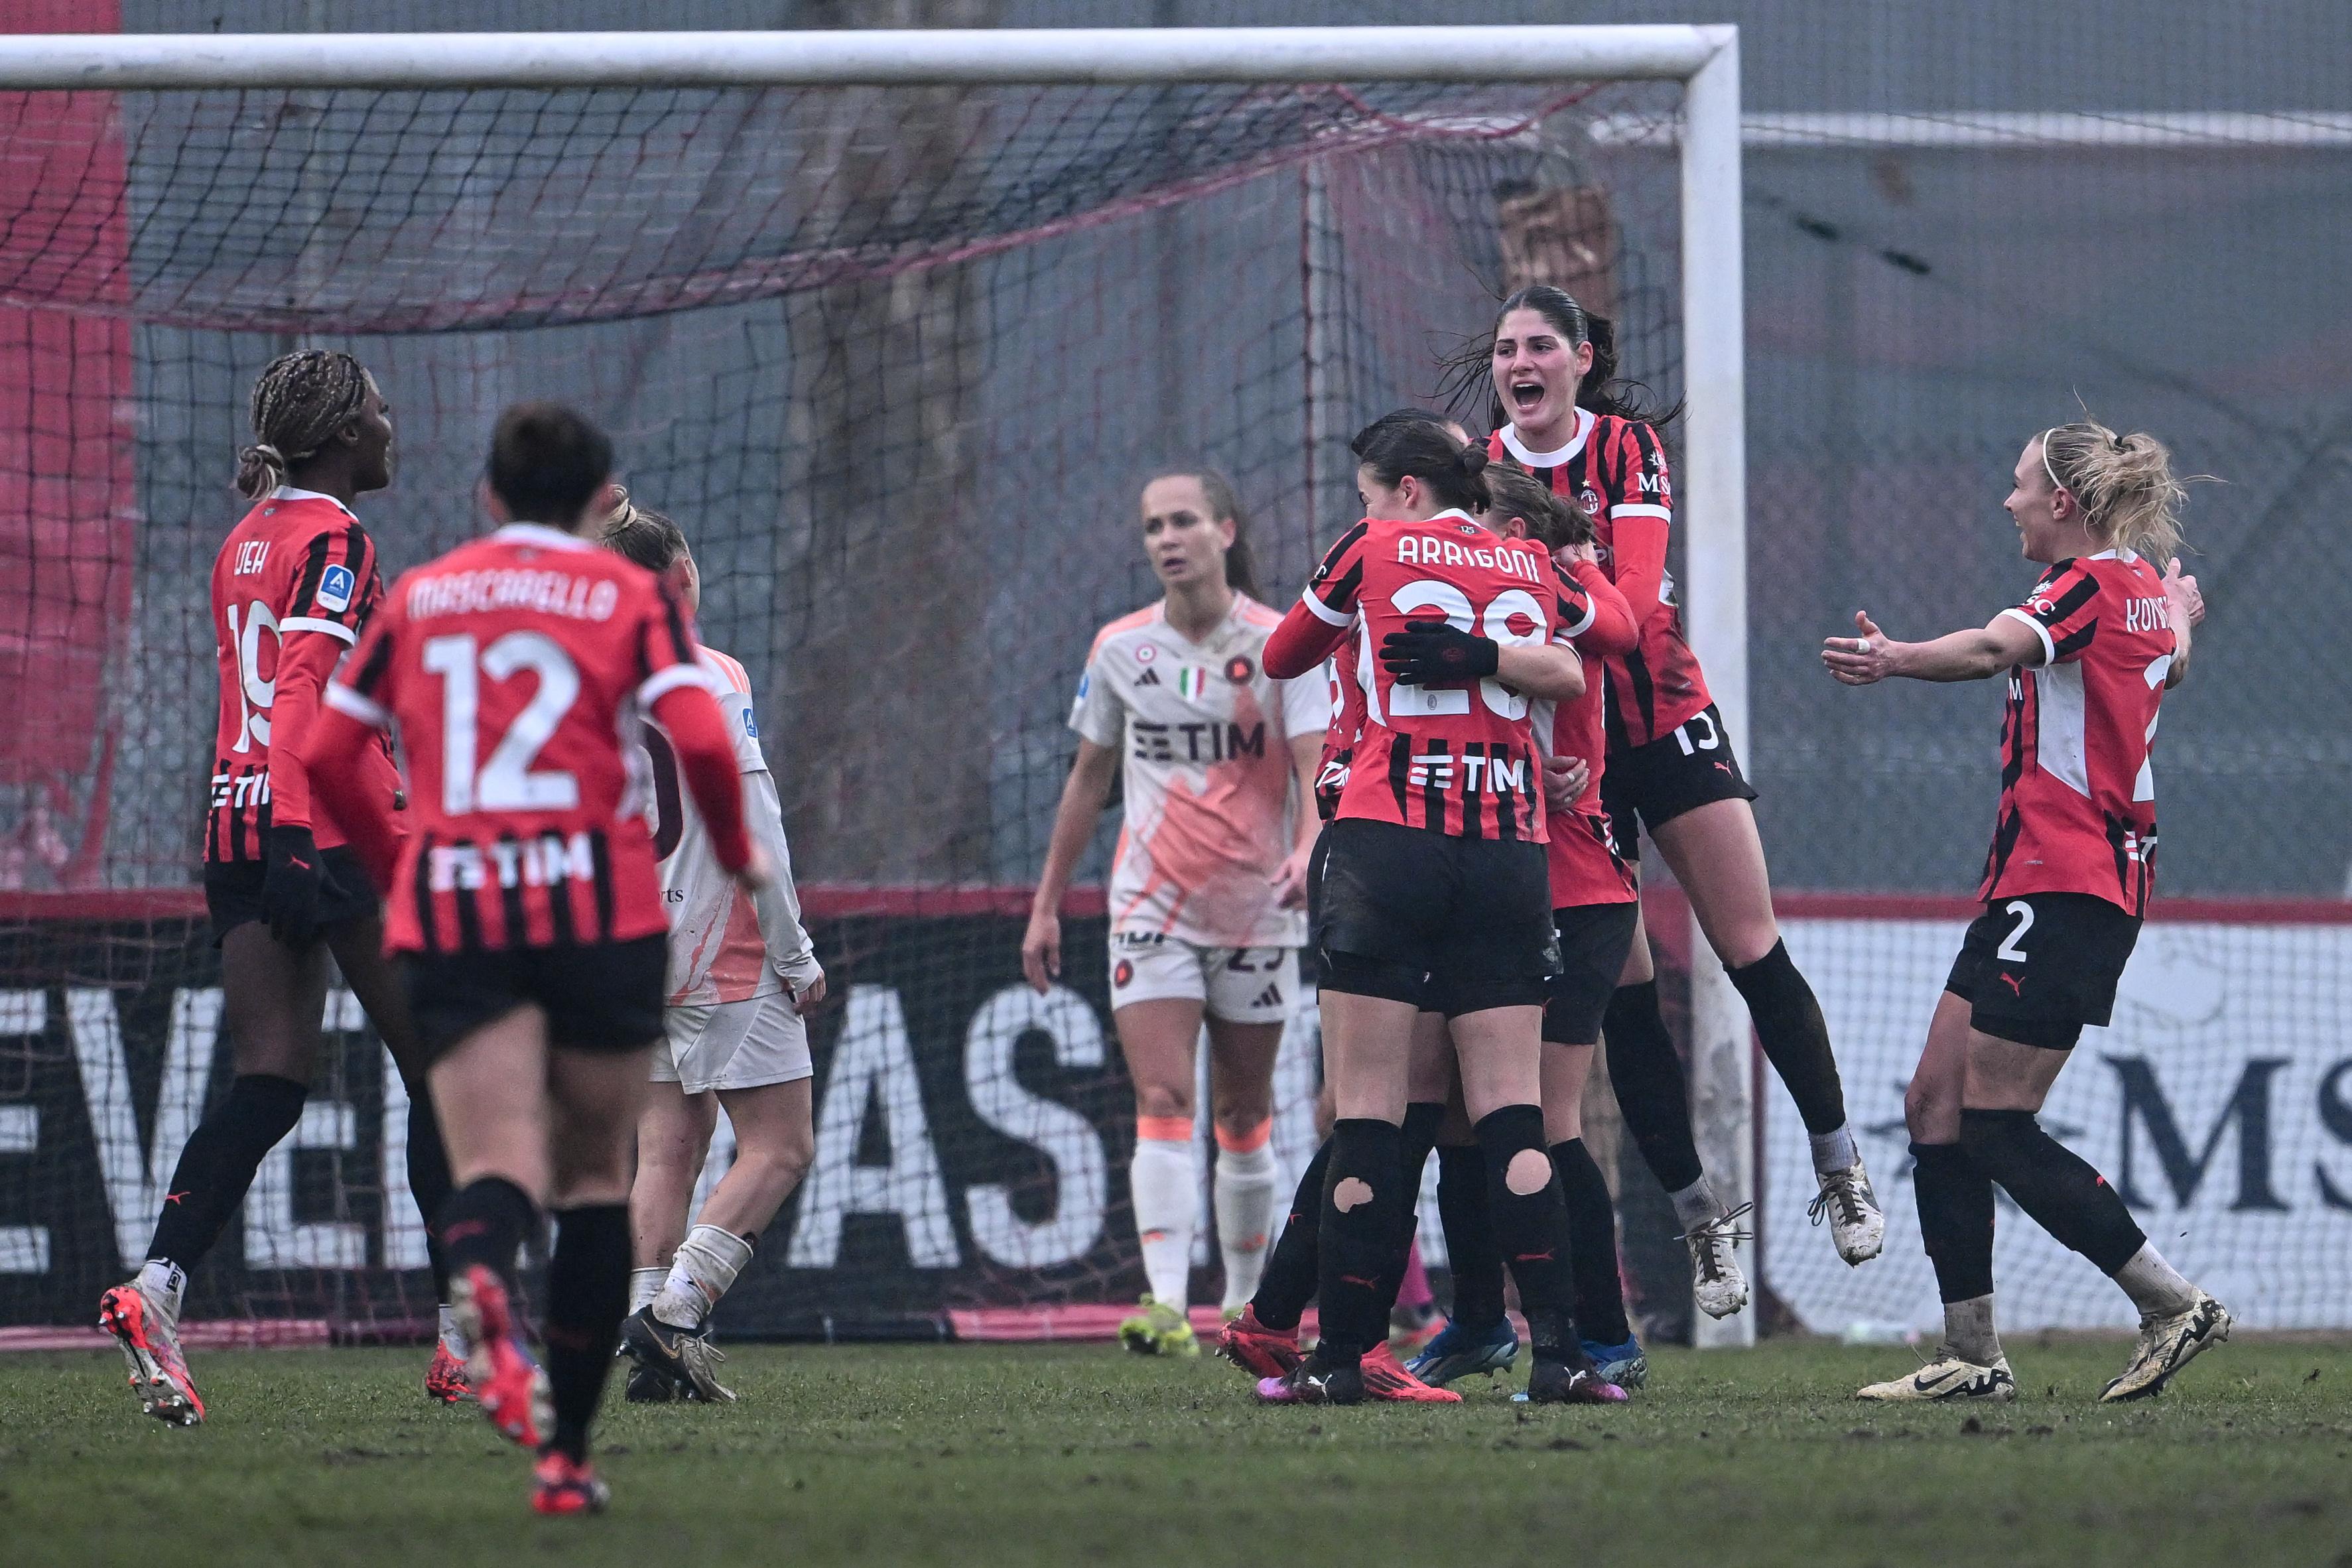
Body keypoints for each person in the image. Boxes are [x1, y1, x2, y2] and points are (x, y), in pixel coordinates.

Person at [302, 403, 763, 1514]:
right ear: (604, 493)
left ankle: (477, 1296)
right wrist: (740, 858)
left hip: (460, 907)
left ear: (489, 498)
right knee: (598, 1179)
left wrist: (401, 864)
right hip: (598, 910)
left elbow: (324, 746)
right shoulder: (628, 597)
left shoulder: (421, 597)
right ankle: (566, 1462)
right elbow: (700, 736)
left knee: (494, 1164)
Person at [1472, 282, 1881, 1314]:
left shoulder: (1625, 451)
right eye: (1504, 349)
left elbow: (1636, 608)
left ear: (1580, 359)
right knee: (1624, 995)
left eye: (1537, 346)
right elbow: (1501, 627)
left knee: (1749, 945)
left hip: (1658, 722)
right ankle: (1703, 1223)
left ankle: (1838, 1166)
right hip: (1570, 752)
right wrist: (1543, 736)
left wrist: (1568, 597)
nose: (1517, 363)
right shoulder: (1482, 470)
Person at [97, 350, 464, 1427]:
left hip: (234, 820)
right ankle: (467, 1337)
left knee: (270, 1077)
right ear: (345, 436)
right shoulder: (335, 538)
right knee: (441, 1064)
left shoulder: (244, 537)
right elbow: (304, 692)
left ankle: (157, 1287)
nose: (395, 428)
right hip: (321, 826)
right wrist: (309, 837)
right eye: (382, 413)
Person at [1829, 421, 2226, 1404]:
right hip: (2040, 886)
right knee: (1934, 1106)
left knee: (1997, 1126)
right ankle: (1972, 1355)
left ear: (2062, 504)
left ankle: (2171, 1303)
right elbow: (2164, 658)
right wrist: (2181, 616)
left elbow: (1993, 646)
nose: (2004, 502)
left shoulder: (2086, 585)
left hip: (2067, 886)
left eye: (2016, 488)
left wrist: (1899, 659)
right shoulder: (2138, 587)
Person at [1254, 412, 1623, 1405]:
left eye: (1372, 490)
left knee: (1367, 1112)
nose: (1365, 508)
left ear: (1405, 489)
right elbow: (1589, 650)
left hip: (1388, 843)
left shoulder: (1368, 547)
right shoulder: (1521, 559)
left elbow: (1284, 655)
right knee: (1513, 1110)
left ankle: (1336, 1360)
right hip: (1507, 848)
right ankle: (1558, 1354)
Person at [1023, 470, 1327, 1355]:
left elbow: (1315, 763)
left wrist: (1309, 848)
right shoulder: (1119, 647)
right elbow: (1089, 780)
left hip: (1254, 909)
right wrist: (1047, 905)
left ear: (1225, 531)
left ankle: (1241, 1306)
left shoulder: (1280, 645)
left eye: (1184, 521)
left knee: (1243, 1111)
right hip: (1149, 901)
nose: (1167, 538)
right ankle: (1164, 1304)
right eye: (1153, 525)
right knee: (1161, 1096)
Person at [1406, 460, 1650, 1392]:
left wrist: (1576, 560)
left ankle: (1602, 1329)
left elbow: (1614, 640)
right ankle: (1475, 1320)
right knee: (1464, 1122)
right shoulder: (1454, 595)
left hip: (1577, 884)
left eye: (1482, 521)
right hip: (1488, 882)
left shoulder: (1548, 580)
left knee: (1542, 1120)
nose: (1463, 538)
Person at [598, 493, 825, 1404]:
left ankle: (654, 1352)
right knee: (779, 1147)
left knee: (668, 1148)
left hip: (630, 947)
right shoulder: (710, 676)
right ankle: (676, 1314)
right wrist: (795, 952)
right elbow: (753, 821)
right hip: (720, 944)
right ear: (684, 578)